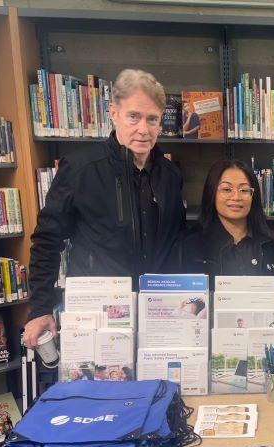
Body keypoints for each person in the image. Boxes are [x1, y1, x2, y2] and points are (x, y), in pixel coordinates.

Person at [24, 69, 187, 349]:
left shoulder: (170, 175)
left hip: (158, 313)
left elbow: (176, 243)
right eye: (133, 116)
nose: (143, 129)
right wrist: (40, 308)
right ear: (113, 113)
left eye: (152, 119)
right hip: (97, 314)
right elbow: (47, 241)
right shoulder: (80, 169)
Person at [173, 158, 274, 304]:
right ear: (212, 193)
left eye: (244, 190)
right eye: (226, 189)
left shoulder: (273, 246)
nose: (236, 197)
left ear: (253, 196)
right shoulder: (189, 246)